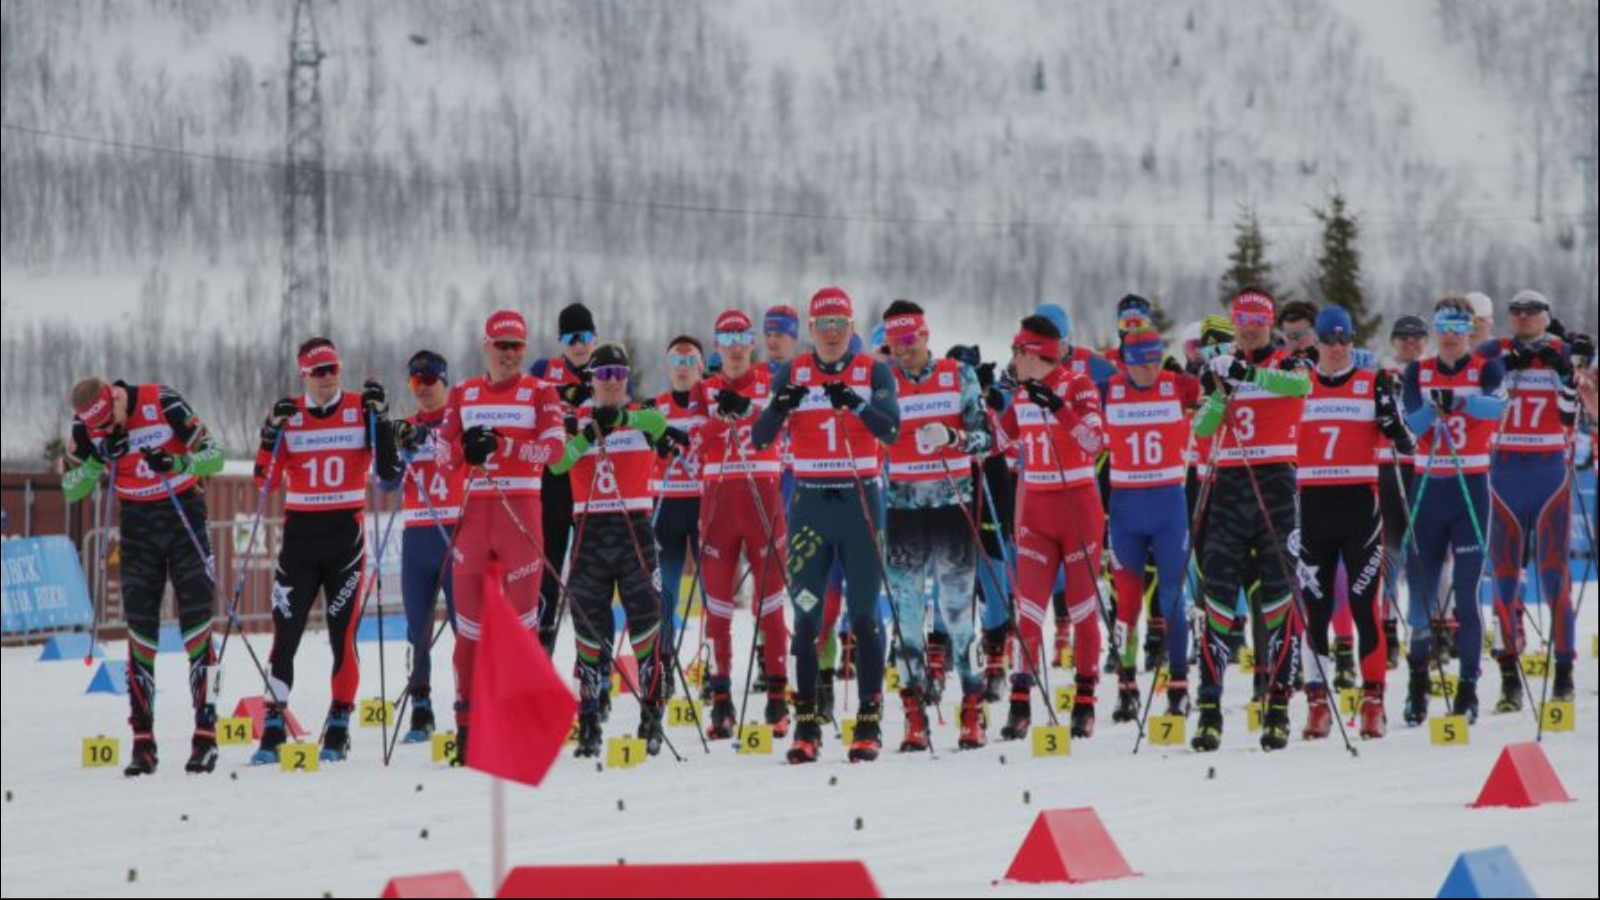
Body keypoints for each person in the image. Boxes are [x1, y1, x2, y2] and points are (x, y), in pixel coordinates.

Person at [751, 286, 901, 764]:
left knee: (861, 615)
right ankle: (808, 723)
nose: (832, 333)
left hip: (860, 504)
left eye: (841, 324)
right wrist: (780, 404)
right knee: (807, 618)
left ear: (852, 328)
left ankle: (870, 721)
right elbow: (760, 437)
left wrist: (856, 405)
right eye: (824, 324)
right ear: (810, 330)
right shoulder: (791, 371)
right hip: (811, 507)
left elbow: (892, 428)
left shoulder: (873, 370)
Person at [63, 377, 226, 775]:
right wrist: (98, 458)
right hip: (136, 525)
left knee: (196, 626)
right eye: (99, 429)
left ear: (115, 397)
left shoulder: (161, 400)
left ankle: (205, 736)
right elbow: (71, 489)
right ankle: (142, 743)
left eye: (112, 422)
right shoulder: (85, 427)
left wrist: (178, 462)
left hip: (184, 513)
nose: (109, 430)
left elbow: (216, 457)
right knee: (140, 633)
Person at [251, 337, 402, 765]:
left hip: (344, 540)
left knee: (344, 635)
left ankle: (339, 722)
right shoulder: (291, 415)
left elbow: (390, 476)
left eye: (333, 369)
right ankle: (275, 720)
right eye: (318, 372)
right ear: (304, 375)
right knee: (286, 635)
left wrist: (384, 420)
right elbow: (265, 483)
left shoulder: (358, 407)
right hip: (299, 539)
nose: (327, 378)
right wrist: (269, 434)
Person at [436, 310, 567, 763]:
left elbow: (554, 451)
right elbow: (440, 457)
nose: (510, 355)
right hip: (473, 517)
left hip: (521, 514)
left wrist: (504, 444)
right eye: (502, 345)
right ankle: (468, 727)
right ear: (485, 345)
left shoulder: (541, 392)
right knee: (468, 632)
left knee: (521, 629)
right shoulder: (463, 392)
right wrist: (464, 448)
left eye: (517, 347)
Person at [1190, 288, 1312, 753]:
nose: (1250, 327)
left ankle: (1278, 707)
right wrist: (1221, 393)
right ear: (1234, 321)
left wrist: (1248, 374)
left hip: (1278, 485)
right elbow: (1202, 430)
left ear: (1271, 322)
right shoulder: (1219, 366)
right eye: (1243, 319)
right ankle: (1208, 710)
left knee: (1280, 598)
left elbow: (1300, 387)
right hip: (1230, 487)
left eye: (1259, 320)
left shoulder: (1290, 360)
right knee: (1217, 601)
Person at [549, 343, 676, 757]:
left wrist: (620, 418)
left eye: (618, 375)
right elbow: (557, 464)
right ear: (591, 380)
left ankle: (652, 712)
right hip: (588, 535)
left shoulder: (644, 416)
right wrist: (589, 433)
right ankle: (588, 719)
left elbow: (657, 425)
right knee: (587, 634)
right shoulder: (575, 420)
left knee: (645, 629)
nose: (611, 382)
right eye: (603, 375)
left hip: (633, 533)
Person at [1296, 308, 1415, 741]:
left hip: (1359, 507)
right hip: (1311, 508)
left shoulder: (1372, 381)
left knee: (1366, 606)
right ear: (1318, 342)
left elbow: (1405, 439)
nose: (1338, 347)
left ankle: (1372, 702)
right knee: (1316, 610)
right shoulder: (1299, 384)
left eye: (1345, 340)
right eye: (1330, 339)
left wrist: (1393, 416)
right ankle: (1317, 703)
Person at [880, 301, 994, 750]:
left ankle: (972, 708)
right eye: (895, 343)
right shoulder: (882, 382)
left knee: (957, 614)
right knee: (907, 617)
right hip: (903, 507)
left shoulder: (956, 375)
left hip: (952, 505)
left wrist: (954, 438)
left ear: (926, 336)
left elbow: (987, 437)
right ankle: (914, 715)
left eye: (910, 341)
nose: (904, 351)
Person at [995, 314, 1108, 741]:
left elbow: (1096, 443)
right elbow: (995, 440)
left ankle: (1084, 701)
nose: (1012, 360)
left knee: (1081, 610)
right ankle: (1020, 702)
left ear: (1032, 353)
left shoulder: (1077, 385)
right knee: (1027, 611)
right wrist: (962, 427)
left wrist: (1057, 407)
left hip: (1078, 508)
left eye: (1015, 352)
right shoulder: (1020, 392)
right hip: (1036, 513)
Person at [1399, 297, 1506, 725]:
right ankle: (1417, 686)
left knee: (1465, 593)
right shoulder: (1417, 371)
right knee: (1422, 594)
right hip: (1428, 487)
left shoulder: (1486, 367)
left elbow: (1497, 407)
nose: (1449, 335)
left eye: (1458, 327)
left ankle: (1467, 689)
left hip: (1470, 489)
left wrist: (1458, 403)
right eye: (1443, 325)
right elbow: (1412, 425)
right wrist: (1432, 408)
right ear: (1434, 329)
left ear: (1470, 330)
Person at [1481, 290, 1587, 708]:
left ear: (1546, 317)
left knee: (1554, 580)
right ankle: (1509, 676)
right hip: (1505, 471)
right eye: (1517, 312)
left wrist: (1568, 368)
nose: (1524, 318)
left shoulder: (1561, 349)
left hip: (1549, 474)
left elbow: (1571, 411)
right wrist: (1504, 365)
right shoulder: (1496, 349)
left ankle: (1564, 674)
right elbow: (1472, 371)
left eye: (1533, 312)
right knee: (1504, 582)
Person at [694, 310, 793, 739]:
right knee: (716, 609)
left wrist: (749, 411)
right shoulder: (703, 389)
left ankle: (776, 695)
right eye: (726, 337)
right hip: (717, 505)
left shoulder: (772, 382)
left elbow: (777, 429)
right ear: (716, 345)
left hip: (764, 500)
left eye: (742, 337)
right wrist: (721, 418)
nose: (735, 346)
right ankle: (721, 699)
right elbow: (696, 444)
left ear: (751, 343)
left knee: (769, 606)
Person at [1101, 329, 1202, 723]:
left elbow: (1220, 392)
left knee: (1173, 599)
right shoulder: (1108, 389)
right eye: (1142, 361)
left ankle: (1179, 686)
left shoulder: (1178, 385)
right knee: (1125, 604)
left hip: (1168, 505)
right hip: (1125, 508)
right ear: (1126, 360)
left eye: (1156, 359)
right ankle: (1127, 688)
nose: (1150, 368)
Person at [388, 350, 465, 743]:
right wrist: (396, 449)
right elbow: (386, 483)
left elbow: (463, 457)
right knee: (417, 627)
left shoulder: (461, 420)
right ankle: (421, 707)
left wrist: (431, 440)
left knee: (464, 627)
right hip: (418, 536)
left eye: (429, 382)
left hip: (456, 532)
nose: (422, 391)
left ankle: (469, 705)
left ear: (444, 381)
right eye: (414, 385)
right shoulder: (406, 426)